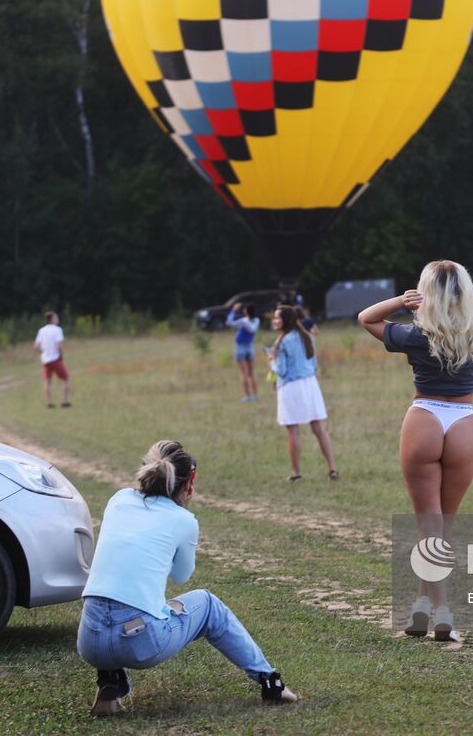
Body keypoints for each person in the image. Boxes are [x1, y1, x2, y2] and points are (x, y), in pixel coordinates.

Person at [358, 261, 473, 640]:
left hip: (424, 419)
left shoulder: (417, 334)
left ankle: (440, 610)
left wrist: (400, 300)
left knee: (427, 526)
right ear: (465, 292)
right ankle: (423, 606)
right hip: (463, 423)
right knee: (443, 525)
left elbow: (366, 318)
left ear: (425, 292)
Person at [77, 440, 297, 715]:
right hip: (140, 643)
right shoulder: (183, 520)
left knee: (112, 594)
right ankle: (270, 681)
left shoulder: (118, 499)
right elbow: (182, 576)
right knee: (207, 604)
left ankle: (109, 680)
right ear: (187, 485)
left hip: (89, 640)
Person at [272, 305, 336, 481]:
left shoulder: (282, 341)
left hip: (291, 387)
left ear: (285, 320)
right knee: (318, 428)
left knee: (293, 430)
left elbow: (282, 370)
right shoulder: (307, 336)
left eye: (277, 318)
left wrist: (272, 361)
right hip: (310, 385)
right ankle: (332, 468)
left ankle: (296, 472)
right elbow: (313, 363)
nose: (274, 321)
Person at [34, 311, 71, 408]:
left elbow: (36, 346)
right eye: (56, 317)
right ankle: (65, 401)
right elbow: (59, 345)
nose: (57, 319)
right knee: (66, 378)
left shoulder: (41, 330)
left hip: (45, 360)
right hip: (55, 358)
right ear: (52, 319)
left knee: (47, 381)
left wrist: (43, 352)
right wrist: (61, 355)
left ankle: (49, 403)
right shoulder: (57, 330)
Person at [226, 303, 261, 401]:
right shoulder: (257, 321)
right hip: (250, 346)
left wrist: (233, 310)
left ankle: (247, 396)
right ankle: (255, 395)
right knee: (251, 373)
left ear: (246, 311)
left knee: (244, 373)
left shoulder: (243, 321)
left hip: (240, 347)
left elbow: (229, 322)